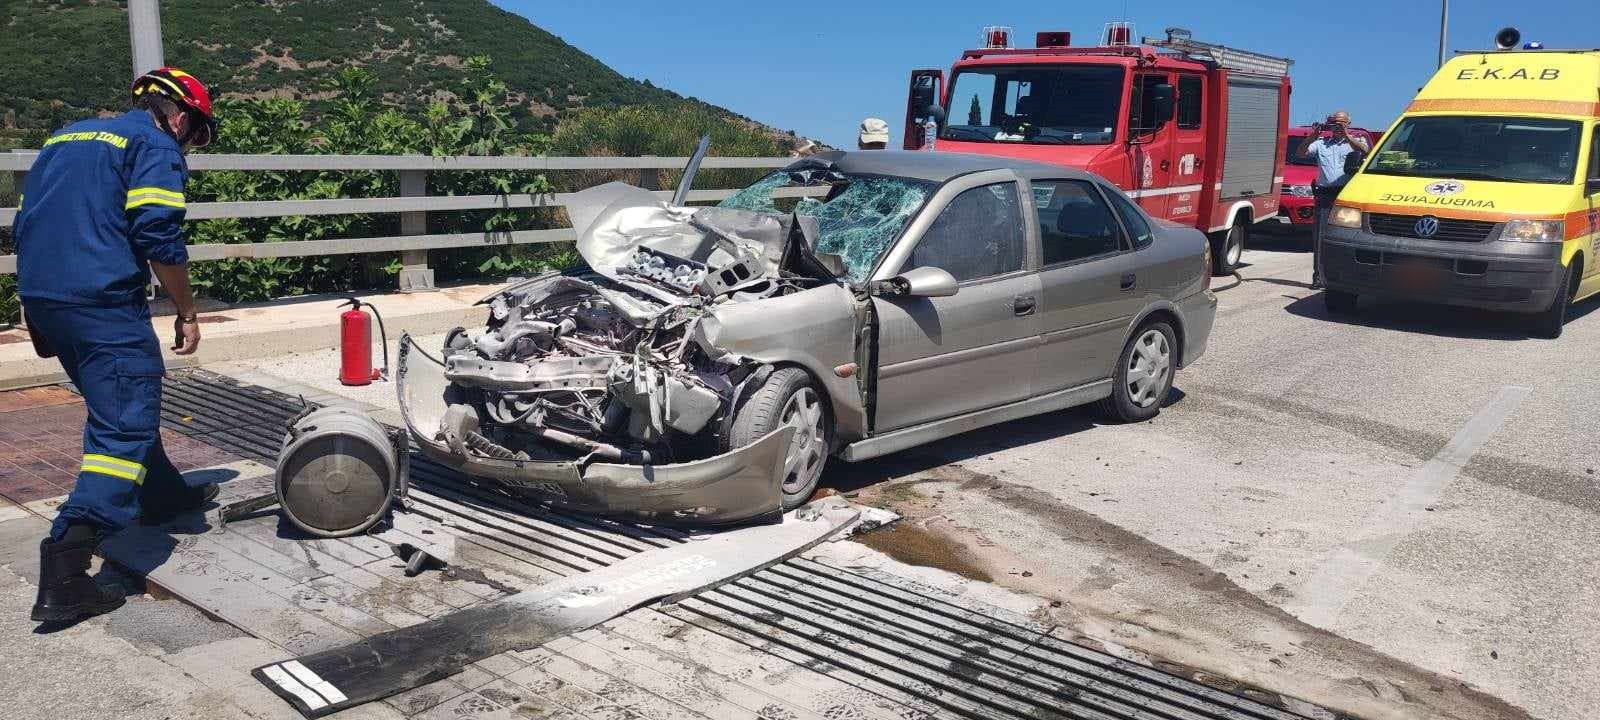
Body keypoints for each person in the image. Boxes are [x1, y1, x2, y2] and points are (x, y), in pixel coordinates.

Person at [13, 67, 221, 623]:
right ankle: (67, 564)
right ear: (179, 116)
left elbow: (26, 220)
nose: (191, 148)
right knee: (124, 424)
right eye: (197, 135)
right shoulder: (154, 144)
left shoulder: (67, 136)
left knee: (119, 406)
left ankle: (164, 496)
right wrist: (186, 309)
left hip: (45, 299)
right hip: (100, 301)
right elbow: (157, 233)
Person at [1297, 111, 1370, 288]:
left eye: (1340, 124)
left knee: (1348, 236)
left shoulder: (1356, 141)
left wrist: (1346, 135)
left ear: (1348, 124)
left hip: (1346, 195)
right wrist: (1313, 136)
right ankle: (1318, 276)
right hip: (1324, 194)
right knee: (1320, 238)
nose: (1336, 127)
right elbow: (1300, 153)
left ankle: (1348, 276)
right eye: (1332, 124)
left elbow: (1367, 152)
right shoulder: (1321, 143)